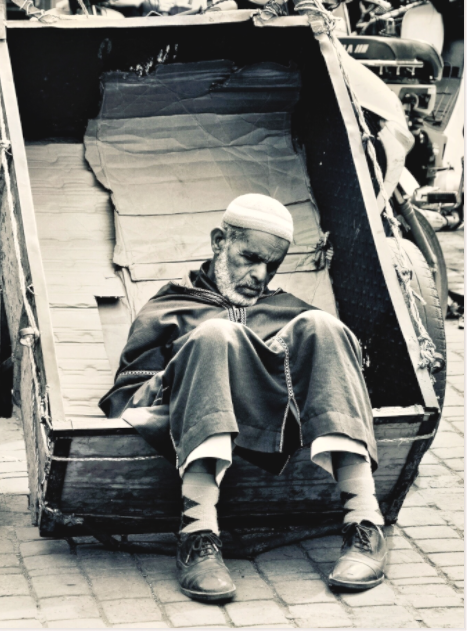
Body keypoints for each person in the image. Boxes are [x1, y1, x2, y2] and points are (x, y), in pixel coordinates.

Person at [100, 194, 387, 603]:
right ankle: (197, 533)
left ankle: (364, 525)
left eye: (271, 265)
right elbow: (128, 399)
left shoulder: (287, 309)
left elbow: (334, 380)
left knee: (325, 326)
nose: (259, 275)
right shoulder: (169, 308)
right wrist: (194, 363)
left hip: (278, 420)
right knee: (216, 335)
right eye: (249, 258)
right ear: (219, 241)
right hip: (186, 417)